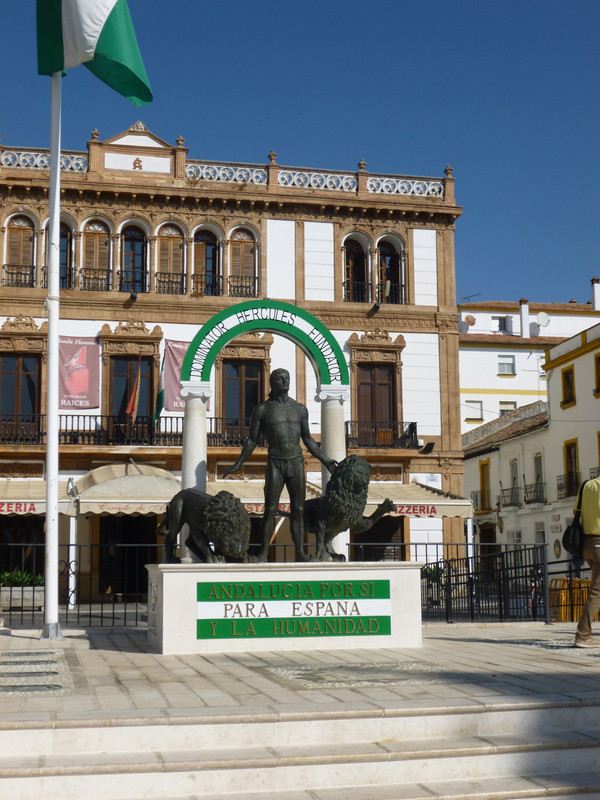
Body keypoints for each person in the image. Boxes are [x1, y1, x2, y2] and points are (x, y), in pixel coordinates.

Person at [223, 368, 337, 562]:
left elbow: (308, 439)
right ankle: (263, 554)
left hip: (296, 462)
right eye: (280, 378)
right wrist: (239, 462)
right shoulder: (262, 410)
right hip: (275, 462)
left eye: (287, 378)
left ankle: (300, 553)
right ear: (271, 382)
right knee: (270, 509)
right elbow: (251, 441)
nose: (284, 381)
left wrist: (325, 460)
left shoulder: (300, 409)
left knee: (299, 510)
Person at [575, 476, 600, 647]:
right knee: (596, 591)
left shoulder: (587, 485)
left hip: (587, 545)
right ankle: (582, 636)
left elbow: (576, 513)